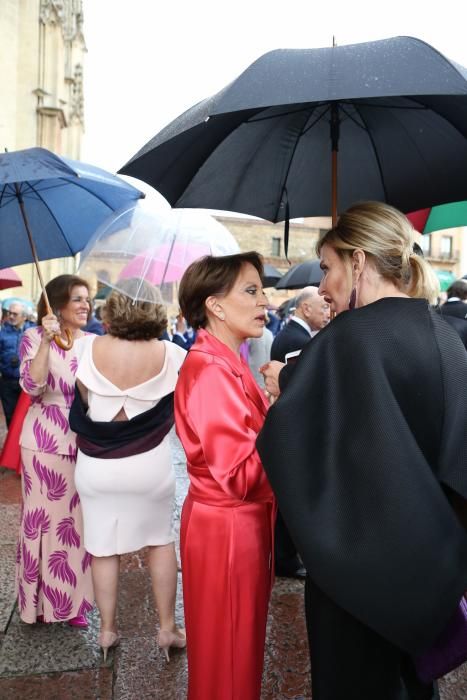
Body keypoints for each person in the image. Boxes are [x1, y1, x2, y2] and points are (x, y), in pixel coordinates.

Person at [257, 201, 467, 700]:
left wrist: (290, 387)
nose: (324, 286)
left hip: (352, 576)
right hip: (428, 572)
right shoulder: (447, 337)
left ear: (358, 262)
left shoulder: (345, 339)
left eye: (328, 268)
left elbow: (291, 446)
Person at [175, 252, 275, 700]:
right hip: (230, 528)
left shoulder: (224, 361)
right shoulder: (213, 370)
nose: (265, 301)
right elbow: (239, 474)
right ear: (215, 305)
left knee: (230, 649)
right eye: (251, 291)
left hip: (230, 525)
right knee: (230, 653)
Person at [71, 278, 186, 662]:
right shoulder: (173, 354)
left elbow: (85, 402)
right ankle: (167, 629)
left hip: (96, 467)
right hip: (149, 466)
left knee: (103, 547)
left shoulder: (87, 346)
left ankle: (106, 631)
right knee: (160, 541)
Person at [16, 275, 94, 626]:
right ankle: (38, 605)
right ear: (57, 304)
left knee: (75, 524)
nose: (85, 305)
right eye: (77, 299)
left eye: (87, 300)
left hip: (84, 440)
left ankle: (71, 603)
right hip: (43, 443)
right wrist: (47, 343)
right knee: (41, 523)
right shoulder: (33, 337)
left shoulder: (94, 343)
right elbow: (32, 386)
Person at [270, 286, 330, 579]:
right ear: (305, 308)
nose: (326, 313)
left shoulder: (297, 334)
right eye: (322, 308)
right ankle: (285, 558)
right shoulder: (296, 338)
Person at [0, 302, 34, 426]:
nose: (11, 316)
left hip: (27, 383)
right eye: (9, 313)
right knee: (10, 415)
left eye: (15, 314)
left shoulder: (32, 331)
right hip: (7, 382)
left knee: (28, 415)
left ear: (24, 317)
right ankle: (12, 444)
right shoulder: (2, 333)